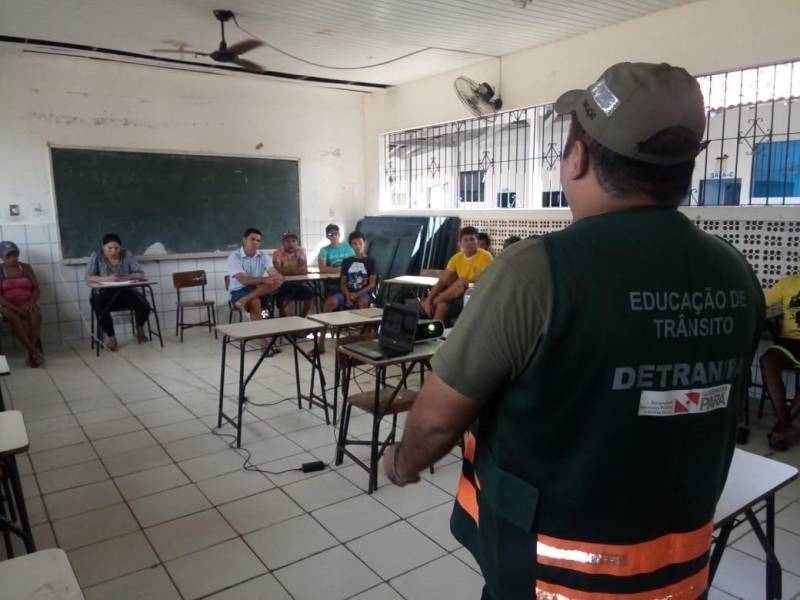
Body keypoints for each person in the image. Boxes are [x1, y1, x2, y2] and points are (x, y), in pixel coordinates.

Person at [383, 62, 764, 599]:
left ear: (578, 158)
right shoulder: (735, 274)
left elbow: (437, 420)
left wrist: (401, 463)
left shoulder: (536, 272)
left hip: (550, 575)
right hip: (677, 570)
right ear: (687, 166)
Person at [85, 233, 150, 352]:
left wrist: (127, 276)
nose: (113, 251)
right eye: (110, 248)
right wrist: (106, 279)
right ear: (103, 247)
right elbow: (89, 278)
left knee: (145, 305)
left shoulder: (126, 255)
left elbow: (140, 274)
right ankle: (112, 337)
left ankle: (139, 328)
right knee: (99, 306)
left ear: (121, 248)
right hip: (104, 293)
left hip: (125, 292)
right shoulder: (97, 256)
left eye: (116, 248)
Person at [420, 226, 492, 323]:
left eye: (472, 239)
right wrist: (429, 299)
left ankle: (432, 302)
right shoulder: (457, 258)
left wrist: (430, 301)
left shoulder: (486, 256)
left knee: (462, 282)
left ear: (477, 242)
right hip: (461, 296)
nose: (469, 242)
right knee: (442, 305)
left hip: (478, 294)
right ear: (460, 243)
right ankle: (434, 335)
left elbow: (488, 282)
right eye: (465, 240)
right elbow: (442, 280)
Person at [760, 276, 800, 449]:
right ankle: (785, 424)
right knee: (767, 361)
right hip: (789, 341)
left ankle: (782, 428)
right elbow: (761, 303)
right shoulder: (789, 283)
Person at [227, 228, 284, 348]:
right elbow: (243, 280)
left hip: (256, 289)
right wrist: (264, 280)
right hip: (239, 290)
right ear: (244, 240)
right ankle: (264, 344)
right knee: (255, 301)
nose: (255, 242)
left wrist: (277, 277)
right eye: (252, 239)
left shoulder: (262, 255)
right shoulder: (234, 257)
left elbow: (273, 272)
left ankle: (244, 300)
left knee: (275, 283)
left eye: (258, 240)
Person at [0, 241, 44, 367]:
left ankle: (31, 353)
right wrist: (16, 309)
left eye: (14, 255)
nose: (12, 258)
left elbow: (36, 289)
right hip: (7, 305)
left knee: (36, 316)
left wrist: (31, 302)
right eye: (8, 256)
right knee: (15, 319)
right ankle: (33, 351)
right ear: (2, 257)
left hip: (26, 303)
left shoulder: (25, 268)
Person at [323, 231, 377, 311]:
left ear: (364, 243)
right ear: (351, 246)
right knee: (331, 302)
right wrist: (348, 296)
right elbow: (343, 283)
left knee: (363, 302)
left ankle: (360, 324)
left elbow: (372, 284)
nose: (358, 246)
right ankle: (325, 323)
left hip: (363, 293)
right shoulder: (347, 261)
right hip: (345, 293)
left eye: (360, 243)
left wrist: (357, 294)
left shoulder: (371, 261)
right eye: (354, 244)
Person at [272, 232, 315, 318]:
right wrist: (295, 270)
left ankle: (302, 318)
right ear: (283, 243)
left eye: (293, 241)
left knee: (311, 296)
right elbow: (278, 271)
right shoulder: (277, 253)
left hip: (298, 284)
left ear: (297, 242)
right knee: (282, 302)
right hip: (282, 285)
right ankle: (289, 324)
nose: (291, 244)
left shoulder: (301, 251)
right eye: (287, 241)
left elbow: (304, 271)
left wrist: (286, 271)